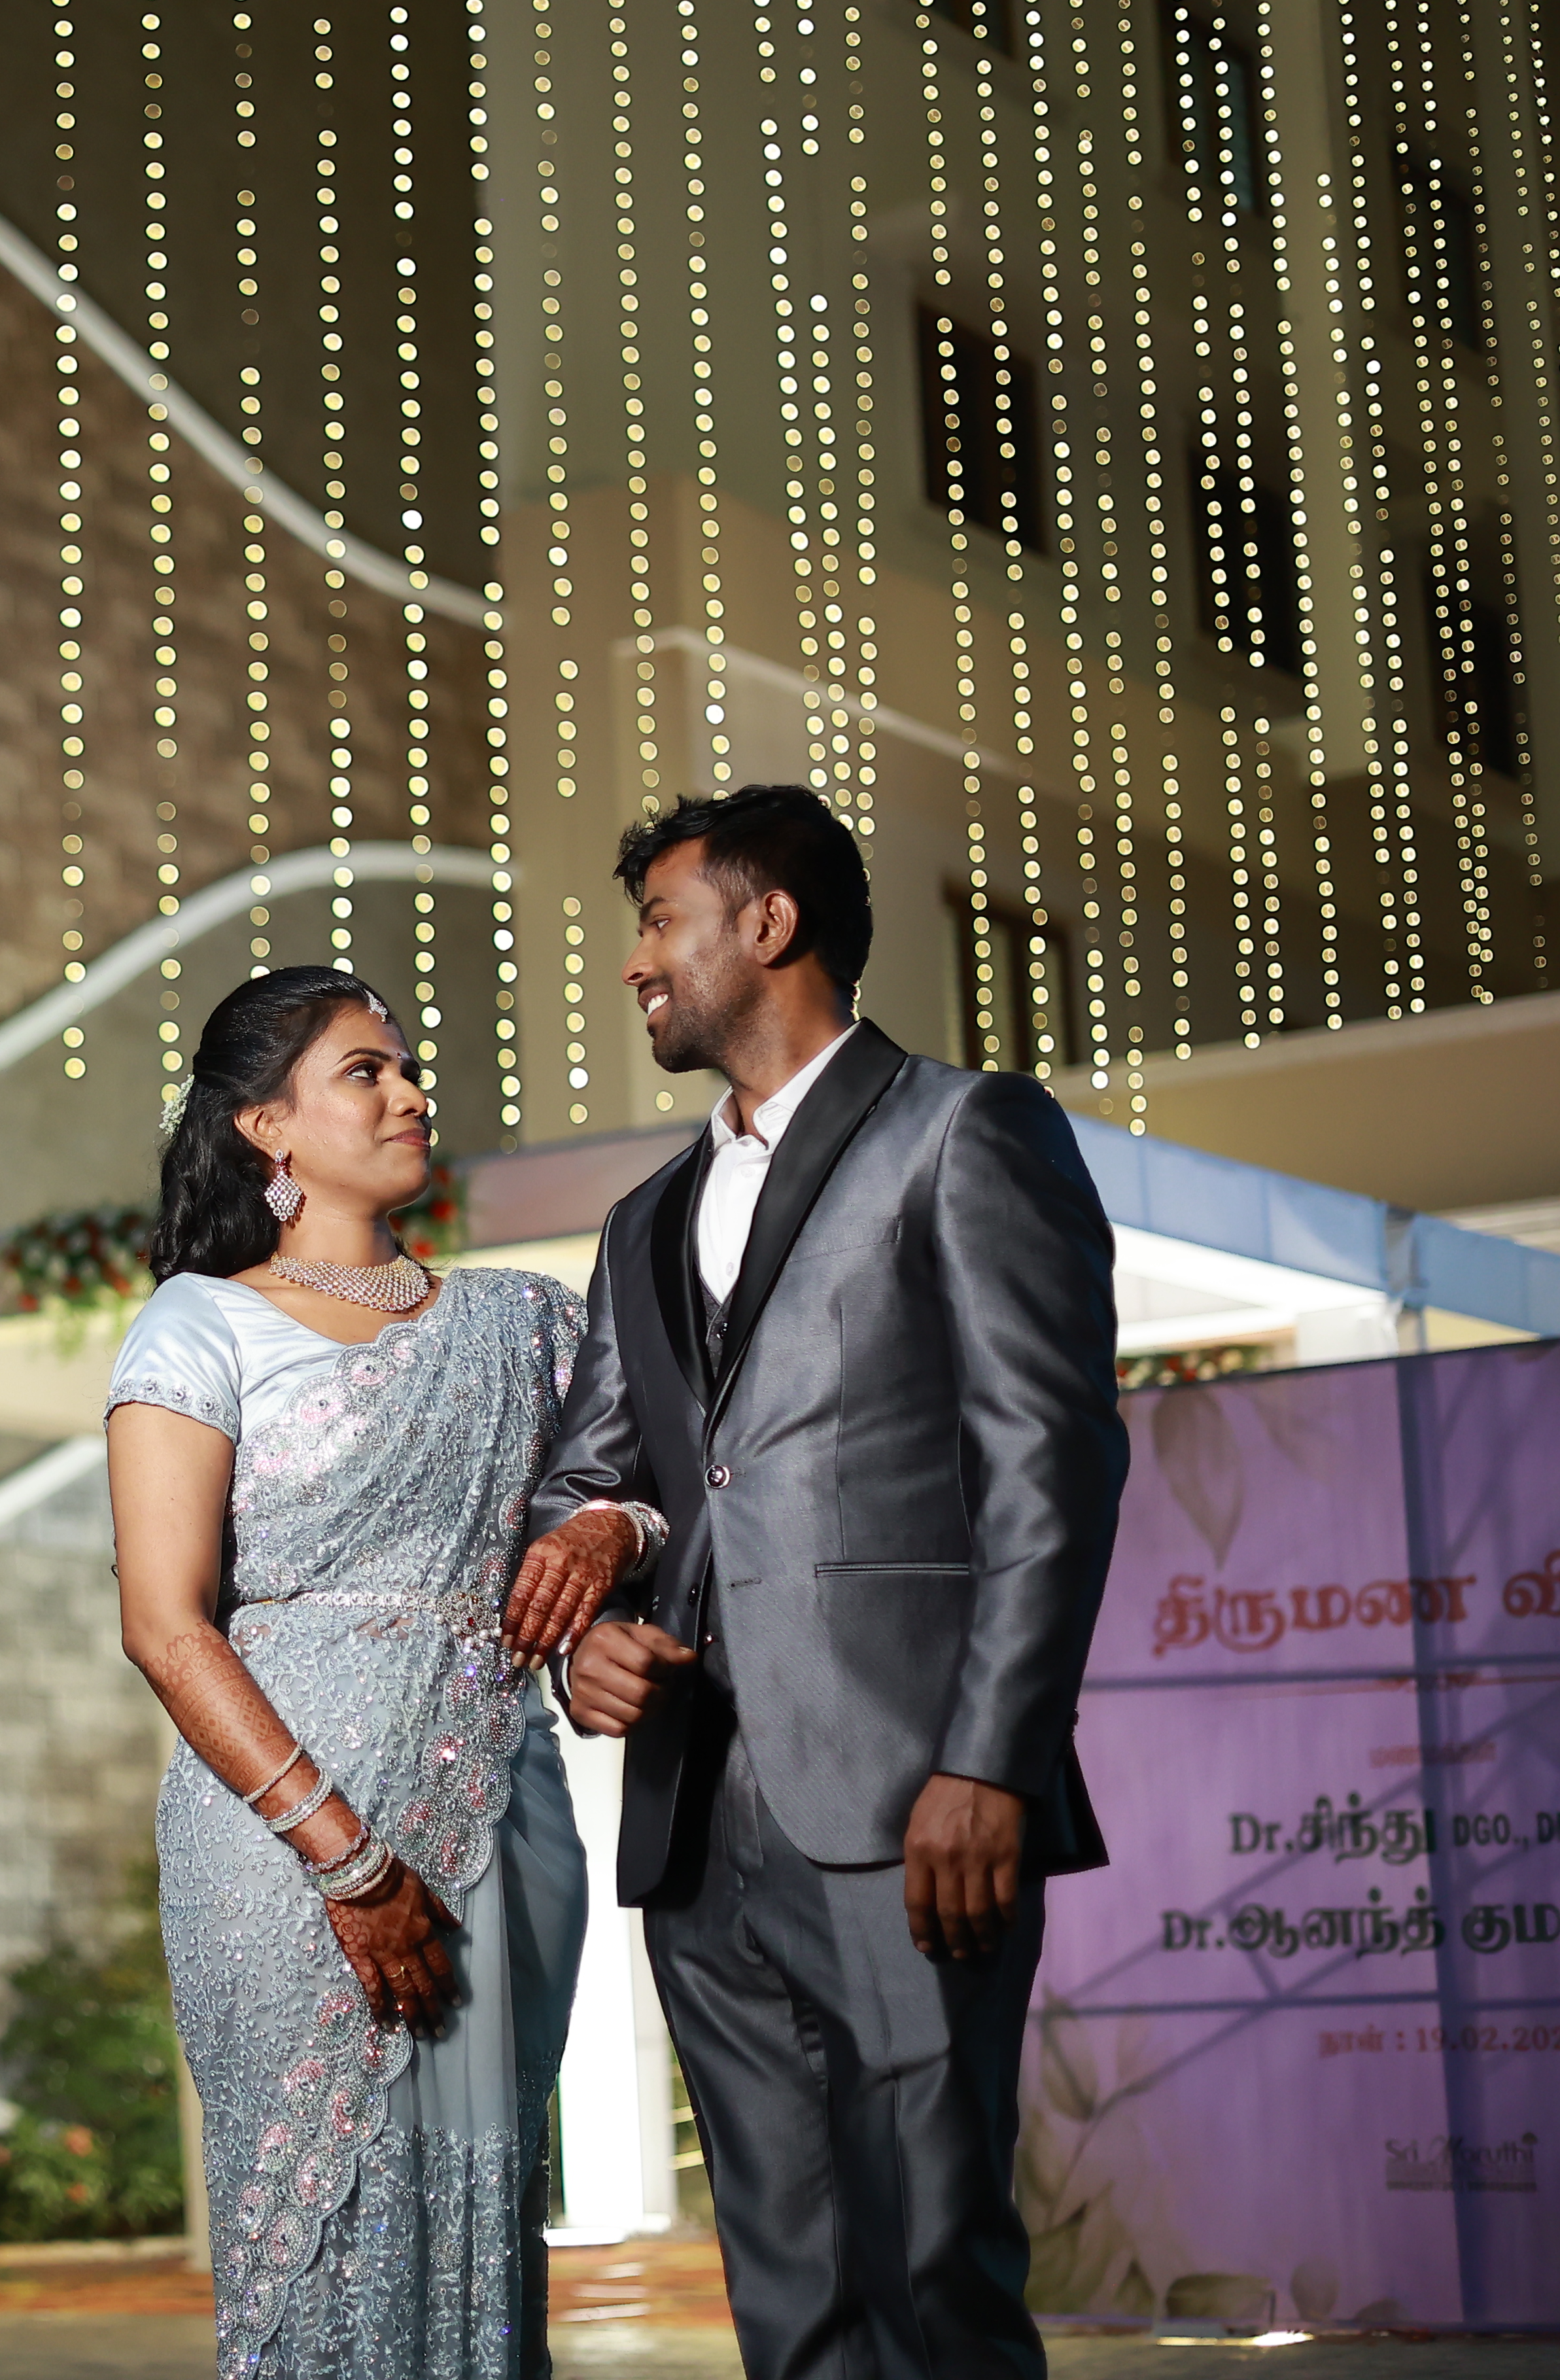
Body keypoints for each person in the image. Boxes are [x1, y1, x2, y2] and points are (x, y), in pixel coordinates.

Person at [500, 786, 1127, 2380]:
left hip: (913, 1799)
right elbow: (605, 1477)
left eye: (660, 922)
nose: (637, 962)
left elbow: (1049, 1468)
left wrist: (988, 1759)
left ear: (768, 925)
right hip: (699, 1818)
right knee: (790, 2294)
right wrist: (591, 1641)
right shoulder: (644, 1219)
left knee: (934, 2263)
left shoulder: (967, 1130)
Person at [107, 967, 592, 2380]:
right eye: (365, 1072)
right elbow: (164, 1622)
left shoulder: (523, 1322)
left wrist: (616, 1536)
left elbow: (625, 1505)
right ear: (269, 1127)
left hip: (499, 1813)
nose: (411, 1093)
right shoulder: (200, 1325)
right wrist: (347, 1861)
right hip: (282, 1849)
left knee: (483, 2203)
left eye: (409, 1066)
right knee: (319, 2230)